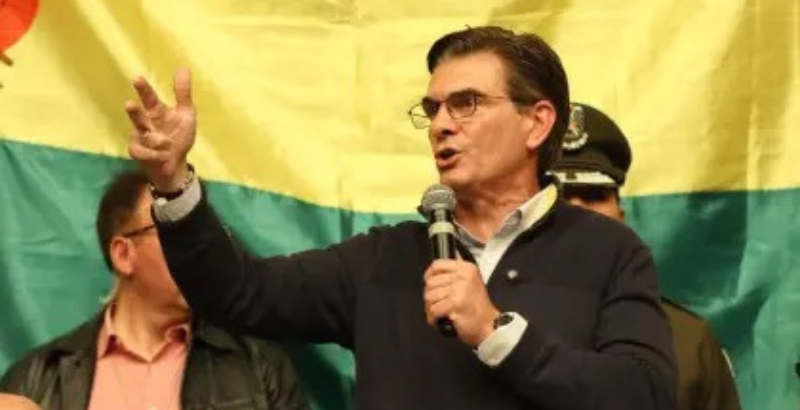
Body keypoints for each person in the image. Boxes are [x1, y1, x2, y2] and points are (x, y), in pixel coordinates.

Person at [123, 26, 677, 410]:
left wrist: (495, 332)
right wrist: (172, 182)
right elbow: (240, 293)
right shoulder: (384, 260)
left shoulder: (610, 252)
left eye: (466, 103)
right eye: (433, 109)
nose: (441, 125)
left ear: (537, 123)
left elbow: (644, 396)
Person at [0, 170, 309, 410]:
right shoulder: (34, 379)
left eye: (202, 235)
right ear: (124, 254)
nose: (199, 251)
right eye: (175, 232)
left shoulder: (261, 367)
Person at [551, 102, 742, 410]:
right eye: (557, 195)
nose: (578, 210)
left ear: (621, 217)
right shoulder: (490, 329)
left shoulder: (688, 341)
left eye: (594, 195)